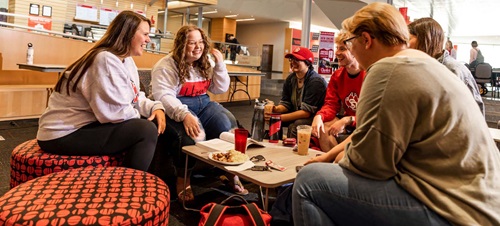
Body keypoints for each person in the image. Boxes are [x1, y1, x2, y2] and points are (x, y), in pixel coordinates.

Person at [292, 3, 500, 226]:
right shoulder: (427, 64)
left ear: (366, 39)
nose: (350, 50)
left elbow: (369, 165)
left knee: (309, 182)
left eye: (350, 43)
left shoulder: (386, 69)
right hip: (482, 205)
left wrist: (340, 157)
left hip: (453, 212)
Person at [37, 11, 166, 172]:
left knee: (150, 124)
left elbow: (134, 97)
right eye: (145, 34)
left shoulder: (126, 60)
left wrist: (155, 107)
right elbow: (116, 113)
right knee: (145, 130)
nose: (148, 39)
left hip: (86, 126)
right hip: (61, 134)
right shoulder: (105, 59)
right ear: (128, 33)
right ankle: (129, 187)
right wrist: (145, 119)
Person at [151, 25, 246, 202]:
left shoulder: (206, 61)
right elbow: (163, 96)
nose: (198, 47)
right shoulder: (165, 66)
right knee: (189, 137)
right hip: (176, 106)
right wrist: (184, 115)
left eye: (201, 42)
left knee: (227, 125)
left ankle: (228, 171)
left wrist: (220, 66)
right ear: (181, 45)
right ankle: (183, 180)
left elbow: (219, 89)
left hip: (203, 103)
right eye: (192, 43)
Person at [408, 17, 485, 116]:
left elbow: (476, 112)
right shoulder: (421, 65)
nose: (407, 44)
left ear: (426, 40)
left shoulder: (454, 70)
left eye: (409, 39)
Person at [311, 30, 365, 152]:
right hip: (349, 122)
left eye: (342, 49)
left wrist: (349, 119)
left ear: (354, 51)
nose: (337, 53)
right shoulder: (337, 75)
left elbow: (373, 115)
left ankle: (341, 161)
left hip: (364, 122)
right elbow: (331, 104)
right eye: (337, 48)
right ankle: (332, 162)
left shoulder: (369, 74)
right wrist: (319, 116)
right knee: (322, 127)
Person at [265, 47, 327, 139]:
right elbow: (286, 104)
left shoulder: (315, 82)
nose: (292, 62)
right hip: (299, 113)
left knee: (296, 125)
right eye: (291, 59)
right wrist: (274, 109)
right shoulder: (291, 79)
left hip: (316, 116)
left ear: (307, 63)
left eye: (297, 60)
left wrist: (277, 117)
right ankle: (274, 142)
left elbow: (306, 113)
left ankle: (295, 148)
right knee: (269, 117)